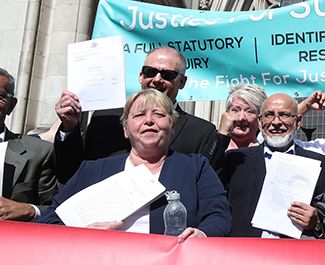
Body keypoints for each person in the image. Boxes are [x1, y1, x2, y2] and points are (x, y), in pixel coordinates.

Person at [38, 89, 231, 240]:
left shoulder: (195, 168)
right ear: (125, 129)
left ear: (172, 126)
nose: (148, 121)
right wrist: (84, 234)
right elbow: (51, 220)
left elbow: (219, 216)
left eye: (158, 114)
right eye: (139, 115)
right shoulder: (93, 169)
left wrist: (202, 234)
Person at [53, 47, 218, 183]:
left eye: (167, 75)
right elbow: (70, 174)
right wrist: (69, 128)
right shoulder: (105, 118)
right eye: (150, 72)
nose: (157, 79)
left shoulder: (201, 132)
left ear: (182, 82)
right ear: (141, 76)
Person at [220, 93, 325, 238]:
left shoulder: (322, 164)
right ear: (260, 121)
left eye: (284, 115)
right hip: (244, 253)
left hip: (295, 255)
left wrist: (316, 221)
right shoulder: (235, 160)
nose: (276, 122)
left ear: (298, 121)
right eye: (269, 115)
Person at [0, 68, 57, 220]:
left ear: (11, 105)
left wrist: (29, 209)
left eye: (0, 96)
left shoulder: (39, 152)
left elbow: (56, 209)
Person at [217, 83, 267, 151]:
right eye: (236, 110)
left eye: (249, 111)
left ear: (260, 117)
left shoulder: (265, 154)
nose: (241, 118)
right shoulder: (210, 147)